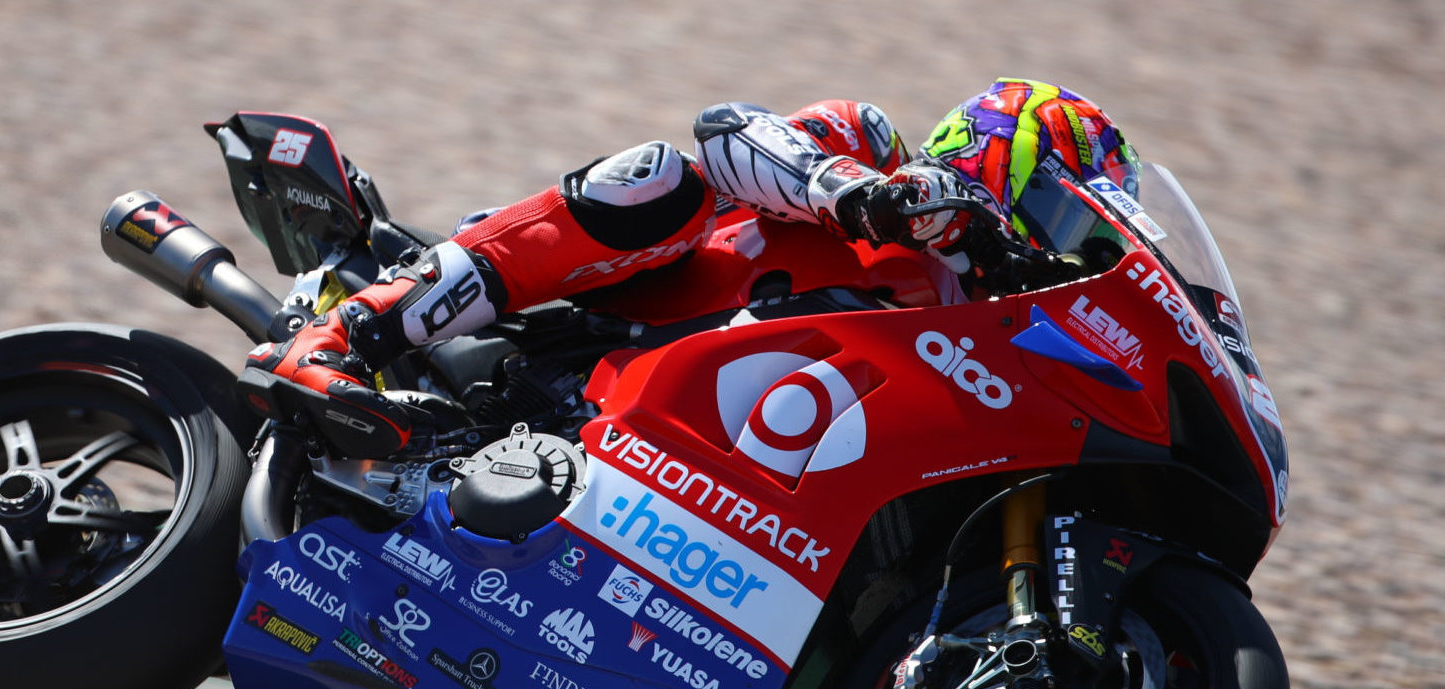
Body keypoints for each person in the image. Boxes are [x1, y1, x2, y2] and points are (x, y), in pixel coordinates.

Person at [245, 78, 1141, 456]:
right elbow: (731, 128)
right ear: (1000, 154)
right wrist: (858, 198)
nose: (1060, 247)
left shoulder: (981, 328)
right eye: (1066, 214)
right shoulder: (875, 154)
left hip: (705, 454)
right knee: (657, 178)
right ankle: (343, 335)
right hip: (597, 332)